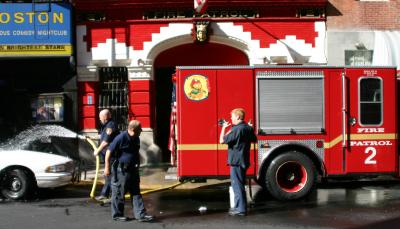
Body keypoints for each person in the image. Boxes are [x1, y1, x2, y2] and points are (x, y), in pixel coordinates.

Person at [104, 120, 154, 222]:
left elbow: (135, 153)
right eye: (139, 129)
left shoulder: (136, 138)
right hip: (121, 171)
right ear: (132, 129)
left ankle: (141, 215)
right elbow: (108, 152)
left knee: (136, 192)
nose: (141, 131)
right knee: (118, 193)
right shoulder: (120, 138)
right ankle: (117, 215)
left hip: (133, 170)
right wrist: (107, 168)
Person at [219, 108, 257, 216]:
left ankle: (241, 209)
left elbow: (222, 140)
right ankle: (238, 207)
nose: (231, 118)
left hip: (236, 161)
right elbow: (254, 139)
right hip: (244, 160)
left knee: (237, 185)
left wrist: (223, 128)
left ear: (238, 117)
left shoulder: (237, 129)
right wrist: (250, 128)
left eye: (232, 116)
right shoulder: (247, 128)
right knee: (239, 184)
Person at [94, 109, 119, 202]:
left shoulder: (110, 126)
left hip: (111, 155)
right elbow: (103, 138)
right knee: (108, 175)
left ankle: (109, 195)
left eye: (100, 117)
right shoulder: (106, 126)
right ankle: (108, 195)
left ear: (105, 117)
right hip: (107, 155)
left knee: (109, 175)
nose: (99, 119)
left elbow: (106, 141)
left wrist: (97, 150)